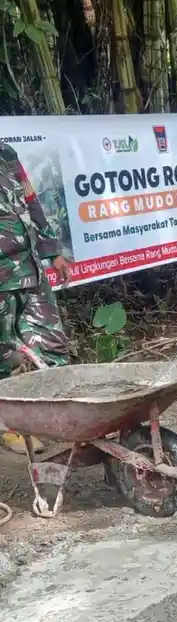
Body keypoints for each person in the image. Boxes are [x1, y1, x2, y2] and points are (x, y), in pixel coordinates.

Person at [0, 143, 71, 455]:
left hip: (29, 269)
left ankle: (60, 416)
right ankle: (8, 427)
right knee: (3, 354)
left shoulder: (6, 153)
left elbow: (31, 202)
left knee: (51, 341)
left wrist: (52, 251)